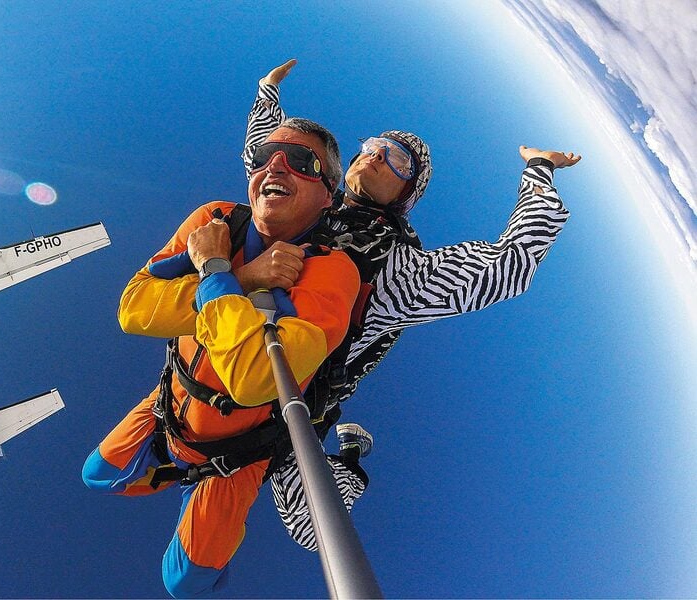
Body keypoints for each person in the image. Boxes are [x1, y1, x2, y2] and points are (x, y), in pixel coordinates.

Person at [242, 59, 582, 552]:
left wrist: (539, 169)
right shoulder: (304, 198)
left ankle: (351, 457)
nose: (376, 157)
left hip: (294, 401)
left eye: (396, 159)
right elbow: (265, 153)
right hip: (237, 357)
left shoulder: (397, 269)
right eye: (371, 147)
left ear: (406, 193)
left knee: (314, 531)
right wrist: (267, 93)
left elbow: (510, 264)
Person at [82, 118, 362, 598]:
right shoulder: (216, 220)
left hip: (238, 452)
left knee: (184, 584)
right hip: (166, 404)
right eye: (265, 156)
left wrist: (215, 271)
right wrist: (245, 279)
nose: (276, 165)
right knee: (96, 476)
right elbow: (133, 309)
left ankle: (191, 479)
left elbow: (253, 378)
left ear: (329, 195)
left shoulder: (332, 273)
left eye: (301, 161)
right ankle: (170, 471)